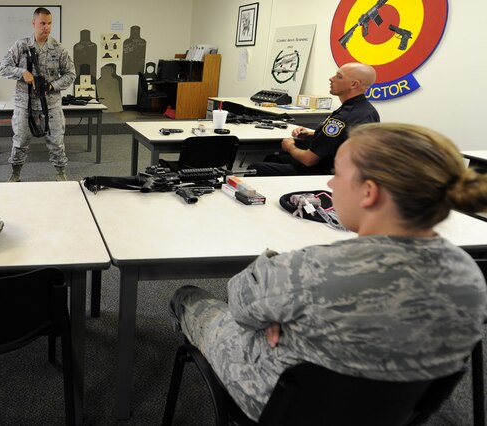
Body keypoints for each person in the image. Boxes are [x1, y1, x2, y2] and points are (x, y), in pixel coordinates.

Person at [170, 123, 487, 421]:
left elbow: (241, 308)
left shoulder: (307, 270)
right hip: (395, 413)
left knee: (188, 297)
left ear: (369, 192)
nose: (331, 183)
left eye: (337, 173)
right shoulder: (470, 279)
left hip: (278, 406)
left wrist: (281, 308)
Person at [250, 62, 380, 176]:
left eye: (339, 77)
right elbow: (344, 136)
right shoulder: (368, 111)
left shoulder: (342, 118)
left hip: (322, 173)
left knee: (254, 168)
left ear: (353, 84)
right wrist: (313, 133)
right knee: (274, 158)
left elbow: (309, 160)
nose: (331, 78)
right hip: (347, 172)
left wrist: (289, 146)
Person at [0, 7, 76, 182]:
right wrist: (22, 73)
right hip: (24, 103)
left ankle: (60, 174)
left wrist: (52, 85)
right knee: (20, 142)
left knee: (57, 142)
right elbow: (3, 68)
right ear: (34, 23)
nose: (46, 27)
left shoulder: (58, 49)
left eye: (49, 23)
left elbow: (70, 74)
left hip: (51, 104)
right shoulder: (21, 46)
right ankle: (15, 174)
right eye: (43, 23)